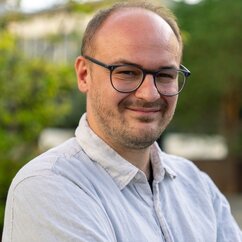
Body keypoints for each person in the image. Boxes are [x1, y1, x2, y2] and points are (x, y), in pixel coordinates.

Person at [2, 1, 242, 242]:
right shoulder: (48, 187)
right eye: (127, 72)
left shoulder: (197, 186)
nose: (149, 94)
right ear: (85, 75)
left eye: (165, 75)